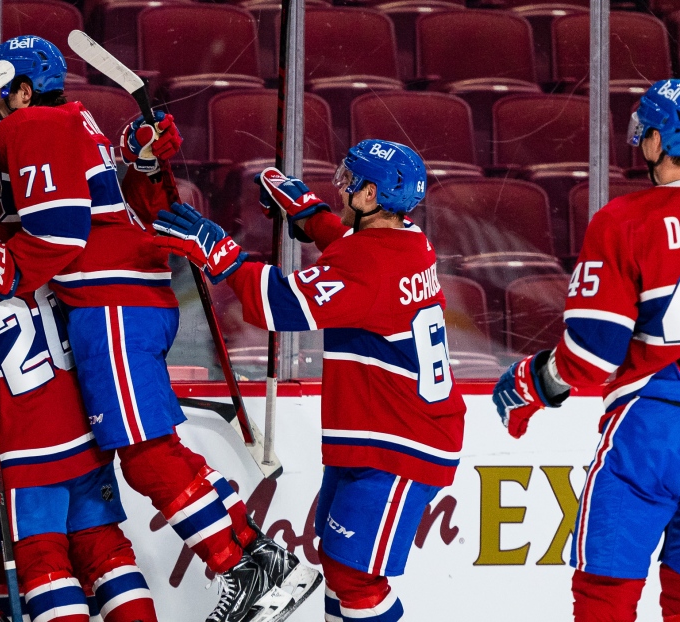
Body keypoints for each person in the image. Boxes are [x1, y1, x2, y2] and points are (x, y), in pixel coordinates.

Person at [0, 35, 319, 622]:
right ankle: (258, 562)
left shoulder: (36, 126)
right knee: (158, 452)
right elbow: (123, 209)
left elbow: (58, 234)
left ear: (23, 91)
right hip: (128, 304)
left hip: (113, 311)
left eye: (0, 100)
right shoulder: (79, 124)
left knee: (149, 457)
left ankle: (241, 569)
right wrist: (148, 167)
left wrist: (0, 272)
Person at [152, 140, 467, 622]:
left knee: (357, 577)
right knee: (344, 572)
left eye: (349, 182)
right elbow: (352, 251)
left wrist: (219, 250)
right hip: (388, 433)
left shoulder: (369, 265)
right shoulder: (407, 240)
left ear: (369, 197)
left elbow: (278, 304)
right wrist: (312, 215)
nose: (340, 187)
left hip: (399, 444)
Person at [0, 160, 159, 622]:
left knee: (43, 564)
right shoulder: (28, 246)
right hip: (80, 428)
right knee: (107, 550)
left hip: (19, 451)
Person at [492, 78, 680, 622]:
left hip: (649, 428)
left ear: (660, 140)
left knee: (604, 594)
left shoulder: (624, 221)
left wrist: (531, 383)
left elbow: (593, 354)